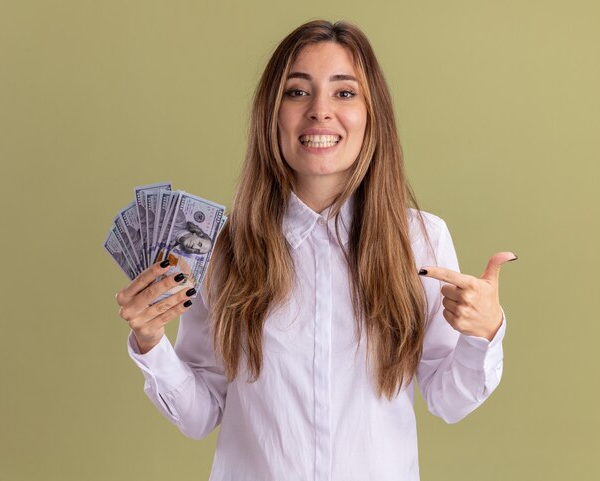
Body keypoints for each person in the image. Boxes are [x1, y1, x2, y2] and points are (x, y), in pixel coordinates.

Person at [115, 19, 516, 481]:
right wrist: (150, 344)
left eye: (344, 93)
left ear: (372, 114)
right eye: (297, 92)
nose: (320, 111)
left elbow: (448, 400)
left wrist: (483, 334)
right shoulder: (222, 249)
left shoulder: (420, 240)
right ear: (272, 113)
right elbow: (201, 413)